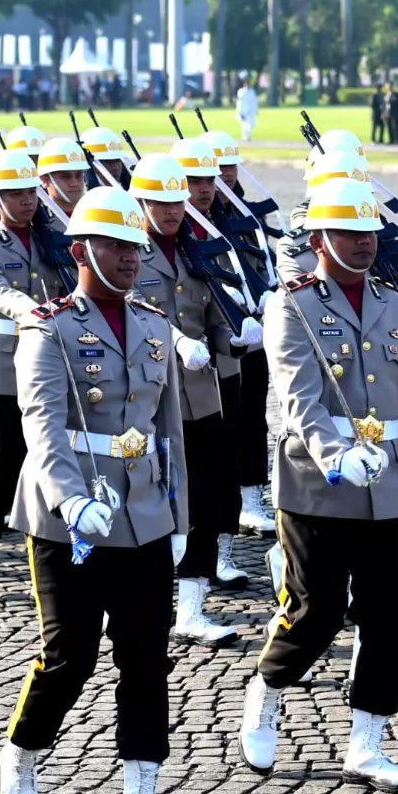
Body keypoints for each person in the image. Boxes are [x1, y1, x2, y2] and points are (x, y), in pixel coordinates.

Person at [0, 187, 193, 794]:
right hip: (66, 521)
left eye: (135, 245)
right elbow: (43, 426)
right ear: (80, 250)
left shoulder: (156, 326)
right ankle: (20, 761)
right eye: (114, 244)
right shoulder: (47, 326)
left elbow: (168, 435)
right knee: (69, 658)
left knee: (146, 658)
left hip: (141, 517)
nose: (130, 256)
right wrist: (70, 498)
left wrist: (178, 514)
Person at [238, 176, 398, 792]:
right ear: (319, 239)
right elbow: (298, 398)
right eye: (349, 233)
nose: (363, 244)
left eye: (369, 233)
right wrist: (336, 454)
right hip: (318, 485)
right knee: (315, 611)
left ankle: (367, 743)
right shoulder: (290, 304)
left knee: (388, 620)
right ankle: (267, 688)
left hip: (389, 489)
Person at [129, 149, 250, 645]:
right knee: (146, 500)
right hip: (147, 398)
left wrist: (236, 338)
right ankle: (133, 602)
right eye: (160, 203)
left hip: (200, 398)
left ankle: (192, 608)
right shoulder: (127, 252)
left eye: (177, 202)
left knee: (202, 500)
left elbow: (216, 314)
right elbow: (129, 310)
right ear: (139, 203)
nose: (173, 210)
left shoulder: (200, 249)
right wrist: (177, 340)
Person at [0, 149, 76, 601]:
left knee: (61, 462)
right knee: (3, 465)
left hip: (55, 363)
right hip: (4, 367)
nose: (26, 200)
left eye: (31, 191)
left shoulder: (59, 238)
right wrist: (32, 309)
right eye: (15, 193)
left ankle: (64, 555)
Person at [201, 129, 278, 543]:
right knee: (221, 423)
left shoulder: (247, 214)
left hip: (255, 329)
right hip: (215, 338)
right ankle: (225, 501)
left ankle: (251, 496)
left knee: (253, 417)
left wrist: (267, 294)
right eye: (215, 170)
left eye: (230, 167)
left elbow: (264, 259)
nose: (224, 177)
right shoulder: (194, 221)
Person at [38, 137, 89, 218]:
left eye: (79, 175)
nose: (74, 183)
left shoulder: (97, 214)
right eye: (66, 177)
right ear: (44, 179)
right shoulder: (37, 220)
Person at [236, 75, 259, 141]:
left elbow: (254, 101)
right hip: (243, 111)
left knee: (252, 124)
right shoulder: (241, 91)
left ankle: (247, 136)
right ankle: (246, 137)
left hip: (251, 110)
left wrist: (256, 109)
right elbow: (238, 102)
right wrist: (239, 111)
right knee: (244, 124)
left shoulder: (252, 91)